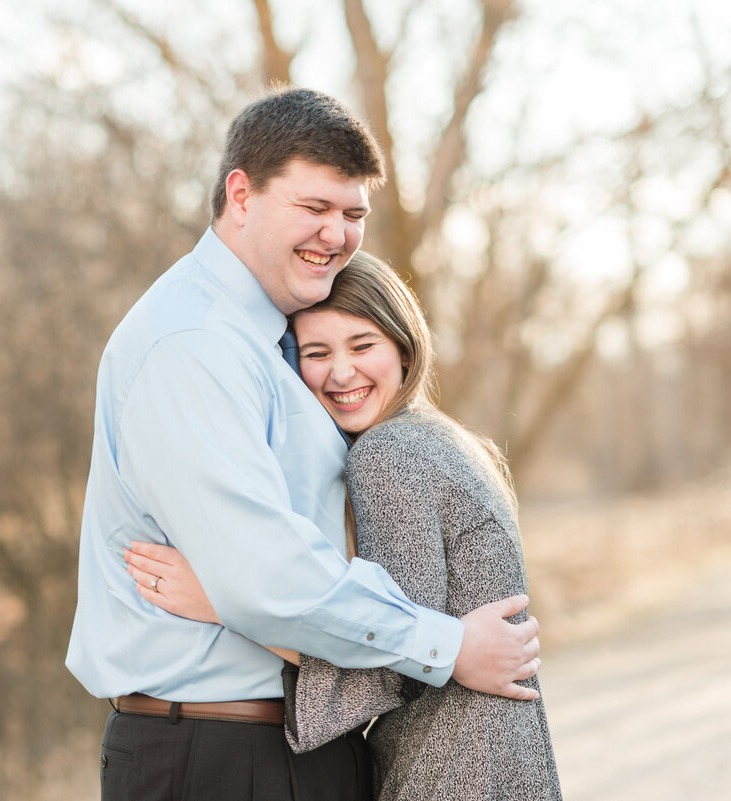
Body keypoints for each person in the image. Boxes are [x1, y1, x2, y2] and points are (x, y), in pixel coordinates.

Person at [65, 87, 540, 801]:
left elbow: (304, 557)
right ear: (242, 193)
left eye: (353, 214)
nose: (337, 233)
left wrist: (232, 595)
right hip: (218, 753)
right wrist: (447, 645)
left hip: (291, 742)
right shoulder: (195, 344)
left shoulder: (274, 340)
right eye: (315, 207)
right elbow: (269, 580)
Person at [127, 251, 562, 800]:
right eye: (316, 352)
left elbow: (392, 661)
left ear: (404, 349)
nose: (340, 372)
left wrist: (222, 601)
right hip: (503, 755)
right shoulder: (442, 439)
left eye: (362, 346)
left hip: (454, 764)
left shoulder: (387, 455)